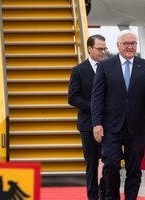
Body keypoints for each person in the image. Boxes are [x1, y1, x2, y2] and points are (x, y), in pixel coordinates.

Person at [92, 30, 145, 200]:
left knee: (134, 169)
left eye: (133, 43)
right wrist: (96, 123)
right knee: (111, 165)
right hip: (111, 127)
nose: (130, 47)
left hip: (137, 127)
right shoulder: (105, 66)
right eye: (126, 43)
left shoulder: (143, 65)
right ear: (118, 45)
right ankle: (111, 197)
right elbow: (97, 97)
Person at [68, 34, 107, 200]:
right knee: (91, 164)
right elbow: (73, 98)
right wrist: (95, 107)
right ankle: (93, 197)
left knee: (108, 163)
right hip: (87, 124)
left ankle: (106, 195)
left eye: (104, 48)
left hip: (109, 124)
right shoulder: (78, 70)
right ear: (89, 49)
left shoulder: (110, 68)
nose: (103, 52)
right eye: (99, 49)